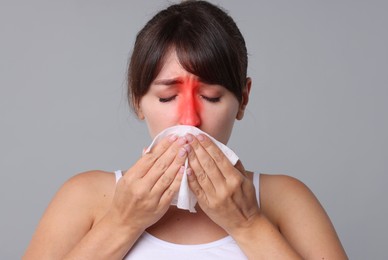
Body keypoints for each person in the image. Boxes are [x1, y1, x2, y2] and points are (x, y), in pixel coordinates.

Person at [23, 1, 347, 259]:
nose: (189, 119)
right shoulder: (84, 198)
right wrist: (122, 223)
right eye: (166, 97)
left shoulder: (287, 201)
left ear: (243, 99)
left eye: (211, 96)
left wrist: (249, 225)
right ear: (138, 100)